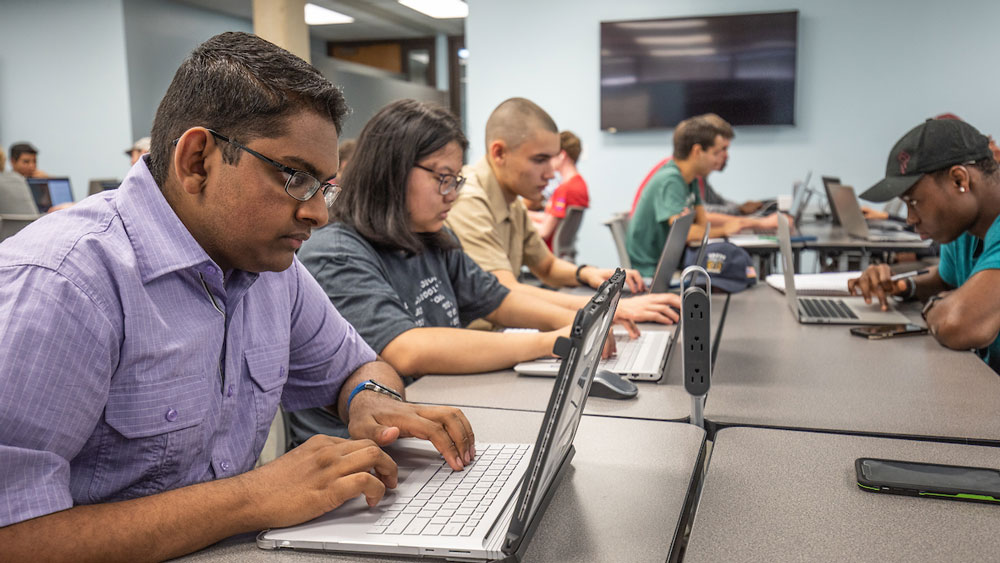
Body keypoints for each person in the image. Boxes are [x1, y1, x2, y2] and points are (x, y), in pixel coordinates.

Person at [0, 32, 475, 562]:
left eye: (325, 187)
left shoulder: (271, 268)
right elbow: (13, 537)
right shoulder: (63, 285)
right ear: (198, 160)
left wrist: (372, 401)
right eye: (296, 177)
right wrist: (254, 497)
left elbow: (358, 366)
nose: (318, 213)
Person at [293, 100, 600, 442]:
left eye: (455, 180)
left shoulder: (431, 237)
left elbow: (499, 299)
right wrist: (549, 342)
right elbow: (408, 349)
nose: (452, 194)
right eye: (442, 179)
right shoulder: (335, 251)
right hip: (357, 452)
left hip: (431, 425)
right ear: (392, 171)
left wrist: (579, 320)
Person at [446, 97, 679, 329]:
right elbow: (505, 292)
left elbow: (546, 266)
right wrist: (606, 306)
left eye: (553, 159)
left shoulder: (512, 200)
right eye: (540, 160)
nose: (550, 173)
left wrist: (586, 273)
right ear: (499, 153)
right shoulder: (469, 201)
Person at [848, 118, 1000, 373]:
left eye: (914, 202)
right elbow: (946, 279)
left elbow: (960, 324)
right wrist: (901, 285)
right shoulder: (966, 226)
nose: (910, 218)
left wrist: (933, 306)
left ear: (959, 181)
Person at [627, 114, 779, 277]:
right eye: (717, 152)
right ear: (697, 151)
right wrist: (725, 229)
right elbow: (686, 234)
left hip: (671, 263)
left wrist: (718, 228)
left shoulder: (690, 180)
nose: (722, 157)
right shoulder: (671, 180)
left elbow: (702, 223)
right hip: (652, 271)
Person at [629, 113, 764, 217]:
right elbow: (702, 213)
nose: (726, 155)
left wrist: (742, 209)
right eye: (720, 149)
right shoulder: (674, 176)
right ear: (698, 151)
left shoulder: (695, 177)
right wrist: (741, 215)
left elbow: (713, 203)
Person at [533, 130, 590, 249]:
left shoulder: (565, 190)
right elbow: (550, 217)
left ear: (562, 155)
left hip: (546, 253)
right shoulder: (579, 184)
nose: (549, 161)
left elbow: (544, 232)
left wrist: (520, 223)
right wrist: (522, 213)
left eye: (551, 155)